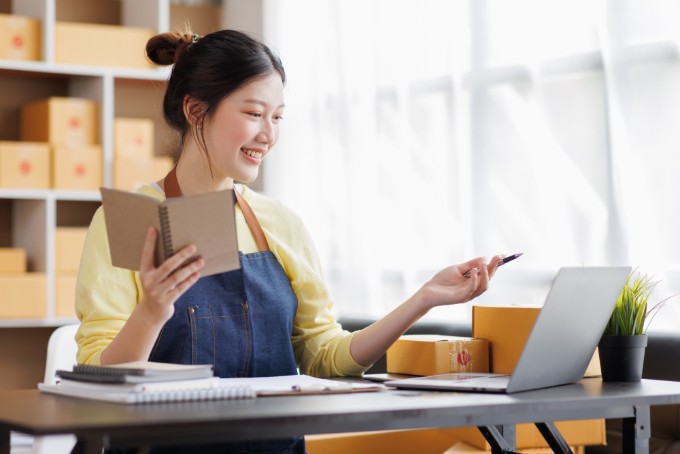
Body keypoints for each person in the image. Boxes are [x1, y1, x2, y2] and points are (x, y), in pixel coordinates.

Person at [75, 28, 503, 454]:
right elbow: (98, 376)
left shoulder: (279, 222)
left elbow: (324, 356)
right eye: (253, 113)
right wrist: (151, 312)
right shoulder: (131, 219)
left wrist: (425, 298)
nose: (269, 135)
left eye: (277, 117)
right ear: (195, 110)